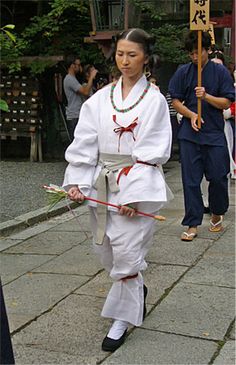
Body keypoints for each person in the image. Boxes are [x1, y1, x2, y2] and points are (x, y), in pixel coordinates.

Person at [63, 28, 172, 352]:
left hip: (135, 185)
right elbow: (84, 143)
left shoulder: (154, 101)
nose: (125, 61)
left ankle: (122, 318)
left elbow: (153, 151)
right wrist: (78, 183)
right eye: (121, 54)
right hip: (102, 183)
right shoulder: (99, 99)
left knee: (126, 252)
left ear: (145, 58)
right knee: (106, 251)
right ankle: (134, 286)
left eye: (132, 55)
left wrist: (132, 196)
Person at [168, 31, 235, 241]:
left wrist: (206, 96)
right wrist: (191, 114)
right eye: (191, 53)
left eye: (198, 52)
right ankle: (192, 222)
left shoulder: (220, 72)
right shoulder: (183, 72)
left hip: (214, 132)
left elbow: (226, 102)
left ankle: (217, 211)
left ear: (207, 50)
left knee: (217, 176)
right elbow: (175, 100)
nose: (195, 57)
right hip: (190, 134)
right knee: (190, 181)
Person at [63, 56, 98, 141]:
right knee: (77, 143)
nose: (80, 67)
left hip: (77, 114)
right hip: (74, 115)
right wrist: (91, 77)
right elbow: (85, 92)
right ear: (72, 66)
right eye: (78, 65)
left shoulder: (72, 79)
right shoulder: (69, 79)